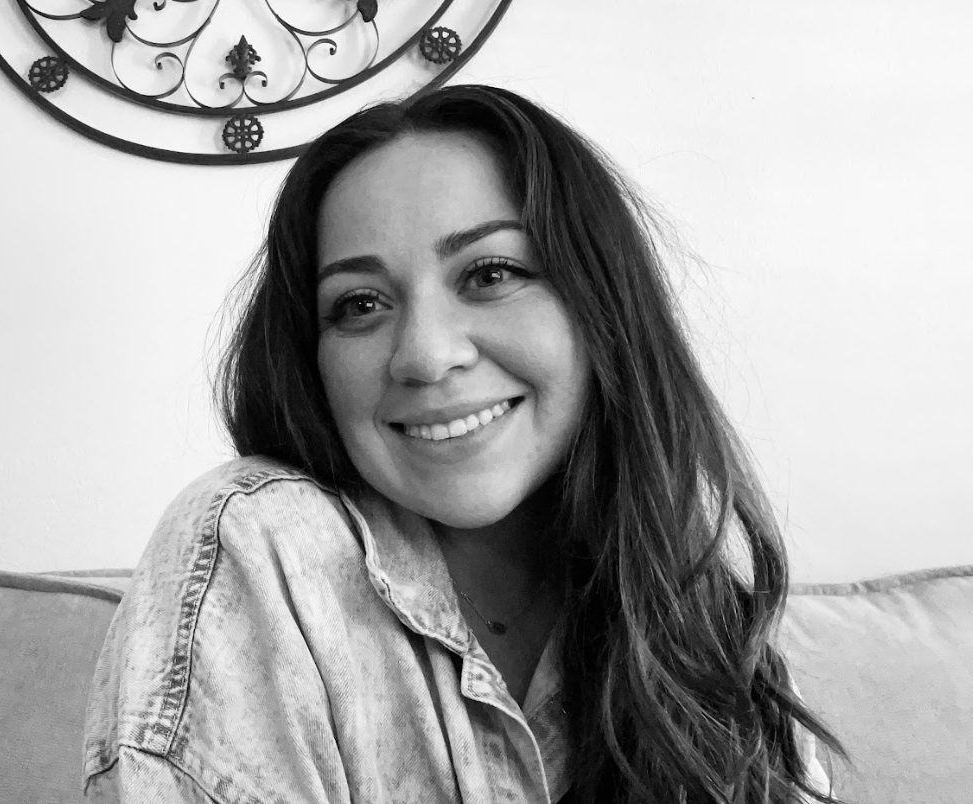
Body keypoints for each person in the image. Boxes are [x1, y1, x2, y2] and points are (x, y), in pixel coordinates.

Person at [81, 84, 846, 803]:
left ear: (600, 308)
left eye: (489, 273)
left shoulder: (697, 613)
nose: (423, 354)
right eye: (359, 304)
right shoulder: (253, 543)